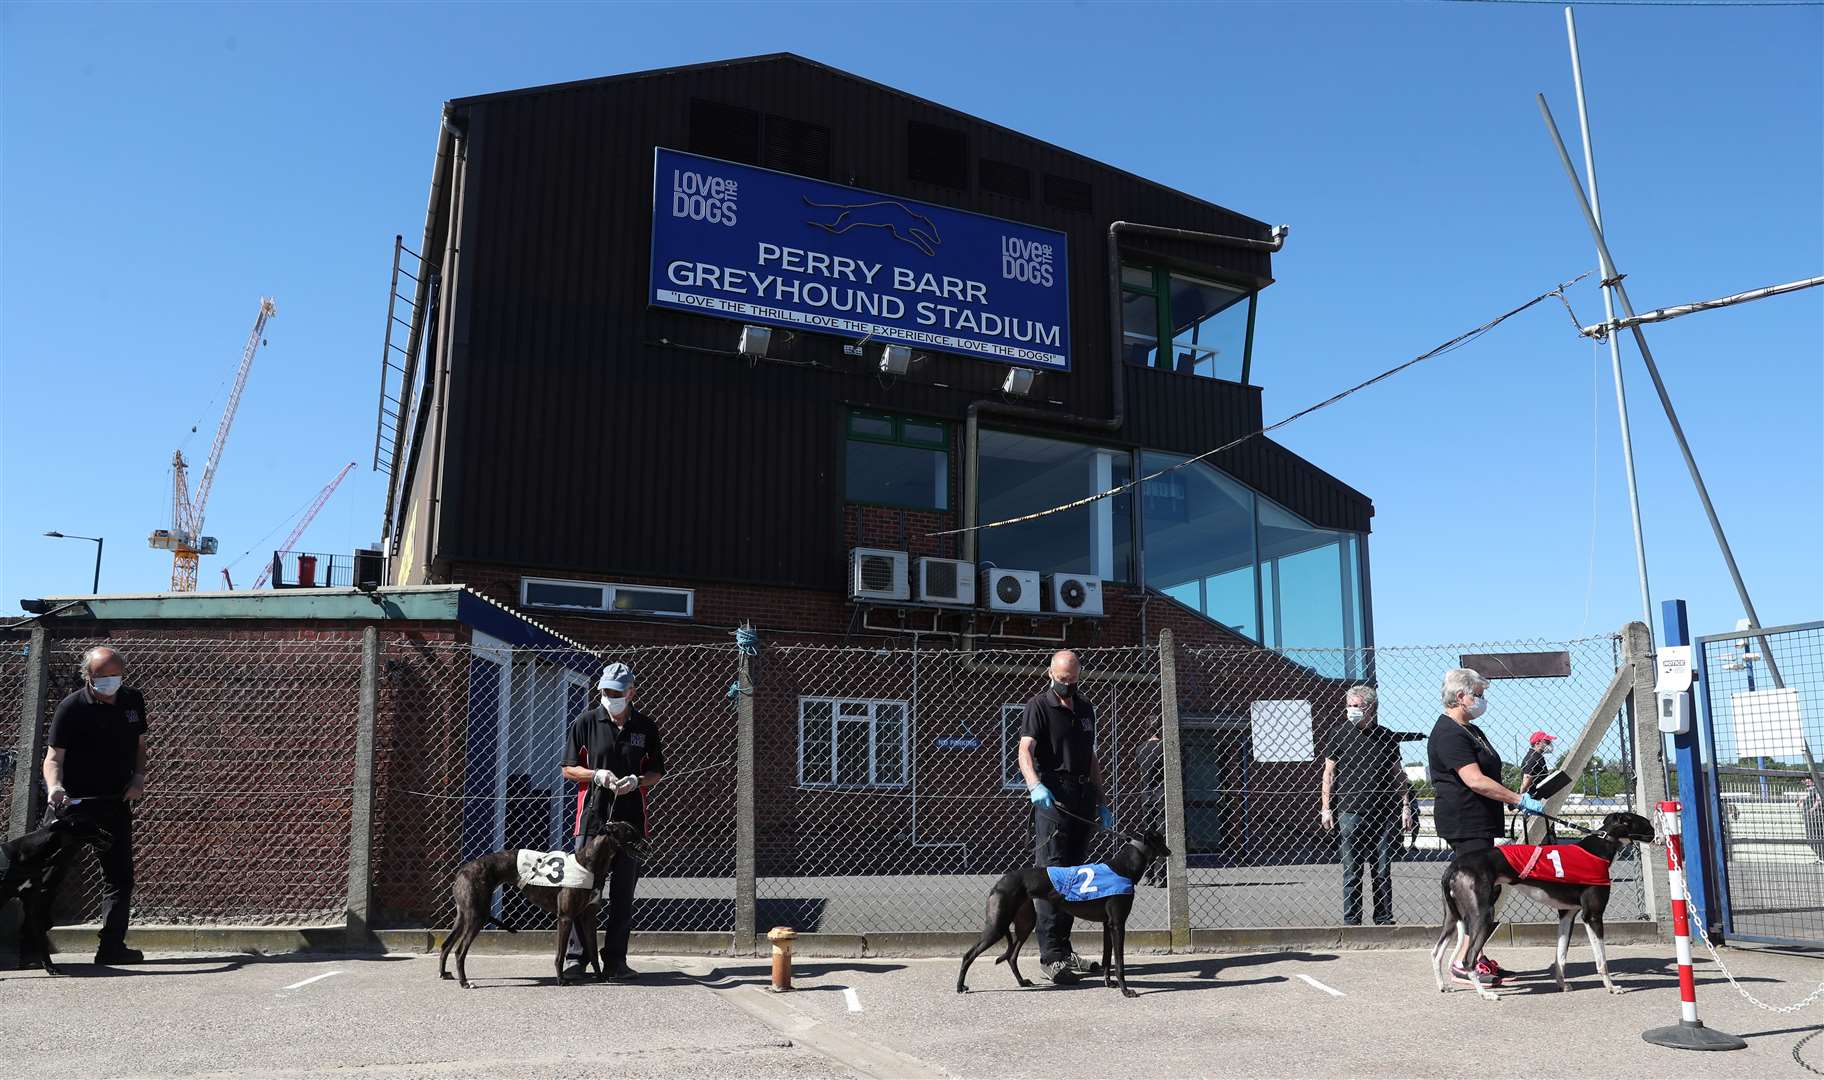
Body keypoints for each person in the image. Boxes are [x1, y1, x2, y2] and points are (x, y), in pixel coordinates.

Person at [1428, 667, 1544, 988]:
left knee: (1486, 891)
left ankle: (1474, 956)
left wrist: (1508, 798)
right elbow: (1474, 779)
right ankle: (1464, 962)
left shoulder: (1472, 731)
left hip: (1482, 819)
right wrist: (1517, 799)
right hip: (1464, 821)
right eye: (1478, 694)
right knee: (1478, 894)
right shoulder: (1449, 733)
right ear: (1460, 696)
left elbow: (1489, 774)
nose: (1482, 700)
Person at [39, 646, 148, 965]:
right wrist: (55, 787)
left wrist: (138, 777)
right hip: (71, 806)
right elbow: (53, 758)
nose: (110, 682)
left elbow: (141, 745)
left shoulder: (132, 700)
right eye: (103, 677)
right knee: (50, 874)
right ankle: (31, 944)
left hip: (114, 803)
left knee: (119, 877)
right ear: (88, 676)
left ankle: (111, 946)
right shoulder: (71, 708)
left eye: (116, 675)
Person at [558, 661, 665, 982]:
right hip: (592, 820)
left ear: (631, 692)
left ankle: (615, 960)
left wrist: (637, 780)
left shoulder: (646, 728)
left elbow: (657, 772)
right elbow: (567, 768)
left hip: (630, 824)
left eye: (616, 692)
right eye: (604, 691)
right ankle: (578, 958)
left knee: (622, 894)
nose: (609, 696)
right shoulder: (585, 722)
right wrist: (596, 775)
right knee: (583, 891)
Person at [1017, 649, 1113, 984]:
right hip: (1053, 797)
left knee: (1075, 877)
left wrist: (1102, 801)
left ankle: (1066, 948)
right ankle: (1051, 956)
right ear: (1050, 673)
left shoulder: (1086, 708)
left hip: (1083, 795)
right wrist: (1034, 785)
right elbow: (1024, 750)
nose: (1066, 683)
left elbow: (1091, 757)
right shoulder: (1038, 707)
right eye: (1061, 678)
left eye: (1072, 678)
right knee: (1053, 876)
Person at [1320, 686, 1422, 926]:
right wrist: (1326, 808)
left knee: (1382, 870)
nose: (1352, 710)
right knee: (1351, 871)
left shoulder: (1386, 737)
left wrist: (1405, 805)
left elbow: (1398, 775)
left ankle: (1384, 918)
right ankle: (1352, 920)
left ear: (1371, 708)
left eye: (1357, 706)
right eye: (1350, 706)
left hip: (1383, 814)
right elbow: (1329, 773)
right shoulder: (1338, 734)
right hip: (1349, 811)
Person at [1517, 731, 1558, 844]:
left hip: (1538, 800)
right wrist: (1521, 797)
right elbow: (1527, 777)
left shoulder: (1537, 756)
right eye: (1547, 742)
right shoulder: (1534, 757)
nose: (1550, 745)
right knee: (1542, 836)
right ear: (1538, 743)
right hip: (1534, 801)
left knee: (1546, 833)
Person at [1801, 779, 1824, 864]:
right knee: (1811, 838)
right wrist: (1801, 801)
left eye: (1808, 780)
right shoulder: (1810, 790)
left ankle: (1822, 857)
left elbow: (1818, 800)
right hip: (1809, 817)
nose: (1805, 782)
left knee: (1815, 837)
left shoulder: (1817, 788)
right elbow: (1808, 797)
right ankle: (1821, 857)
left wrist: (1812, 809)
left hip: (1815, 817)